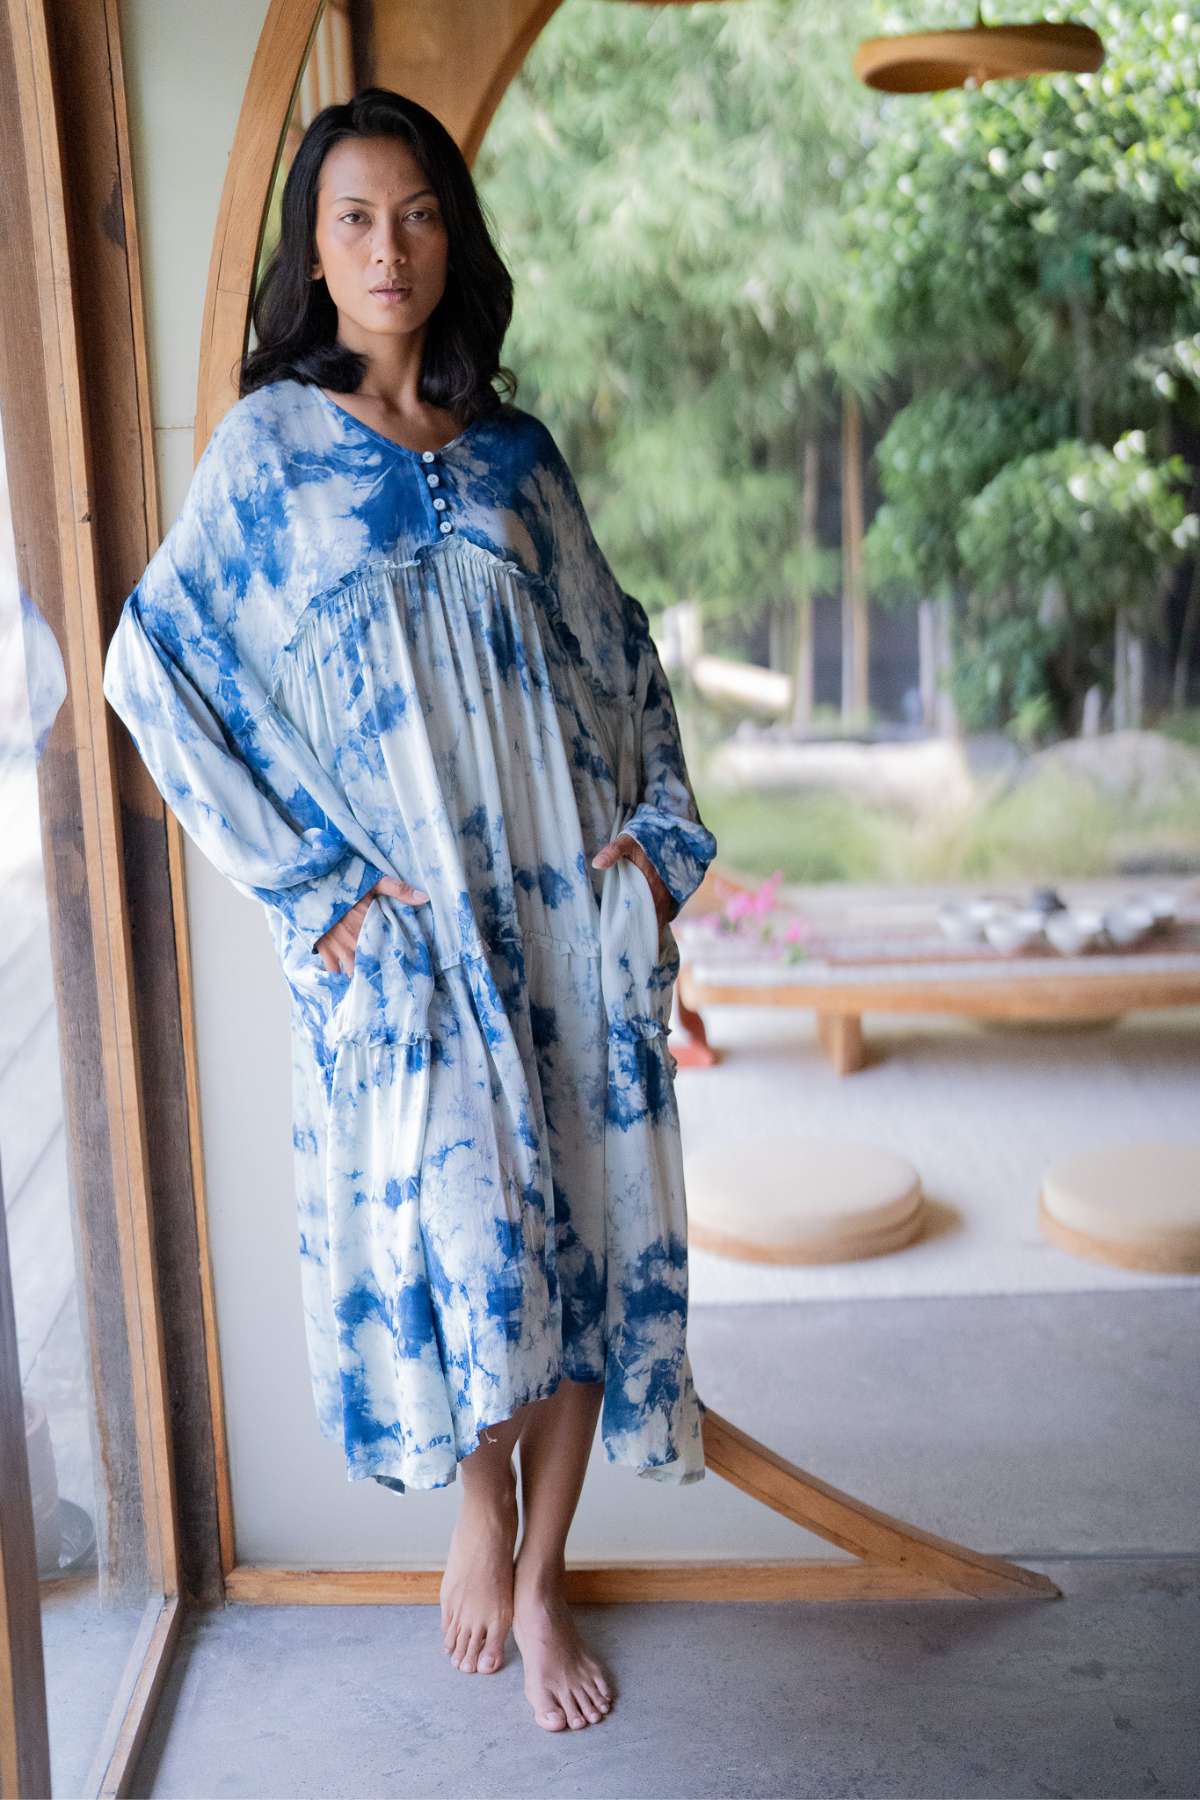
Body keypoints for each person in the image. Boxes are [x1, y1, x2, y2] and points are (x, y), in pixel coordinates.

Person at [102, 87, 717, 1734]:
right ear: (315, 251)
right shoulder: (265, 457)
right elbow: (151, 678)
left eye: (421, 213)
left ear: (457, 238)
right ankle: (477, 1505)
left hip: (560, 925)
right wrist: (320, 898)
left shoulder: (519, 456)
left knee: (584, 1232)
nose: (392, 246)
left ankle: (543, 1572)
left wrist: (654, 850)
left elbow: (625, 661)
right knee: (464, 1243)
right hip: (411, 949)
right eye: (359, 218)